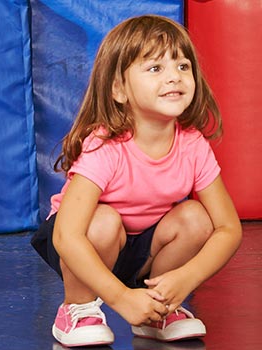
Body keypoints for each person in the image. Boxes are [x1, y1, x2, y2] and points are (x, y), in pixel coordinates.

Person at [30, 15, 242, 347]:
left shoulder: (192, 144)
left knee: (196, 218)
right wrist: (120, 299)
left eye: (183, 66)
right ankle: (78, 307)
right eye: (155, 68)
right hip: (83, 245)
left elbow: (229, 228)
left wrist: (185, 278)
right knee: (104, 221)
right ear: (118, 89)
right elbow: (67, 235)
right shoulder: (105, 146)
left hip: (143, 246)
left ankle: (158, 308)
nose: (174, 77)